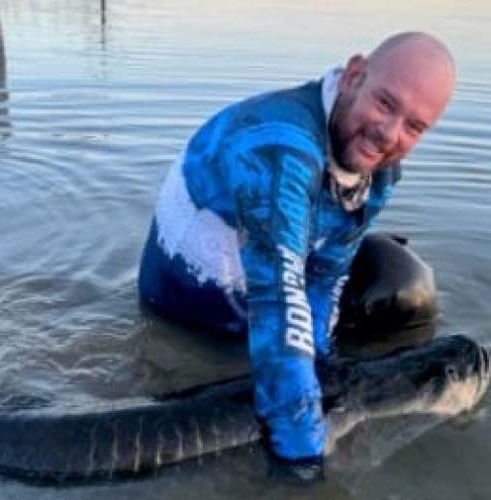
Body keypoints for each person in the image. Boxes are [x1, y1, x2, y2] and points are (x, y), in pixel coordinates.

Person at [137, 32, 455, 481]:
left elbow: (328, 274)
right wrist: (303, 465)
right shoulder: (278, 149)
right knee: (291, 412)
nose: (389, 135)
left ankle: (296, 382)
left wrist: (322, 370)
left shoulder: (378, 172)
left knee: (401, 279)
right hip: (195, 311)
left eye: (414, 126)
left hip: (271, 281)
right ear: (353, 75)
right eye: (385, 103)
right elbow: (279, 300)